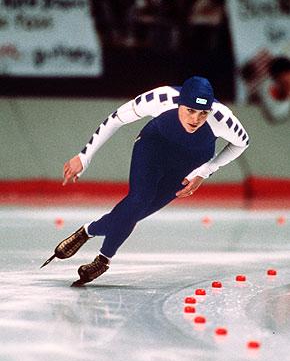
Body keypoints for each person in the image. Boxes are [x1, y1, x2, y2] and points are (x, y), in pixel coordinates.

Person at [41, 76, 249, 286]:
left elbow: (242, 143)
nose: (195, 119)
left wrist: (206, 171)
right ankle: (104, 260)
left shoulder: (222, 118)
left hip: (188, 164)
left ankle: (88, 231)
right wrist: (85, 156)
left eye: (203, 113)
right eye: (190, 110)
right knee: (139, 199)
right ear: (179, 103)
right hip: (153, 148)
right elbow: (115, 119)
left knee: (135, 213)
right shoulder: (160, 98)